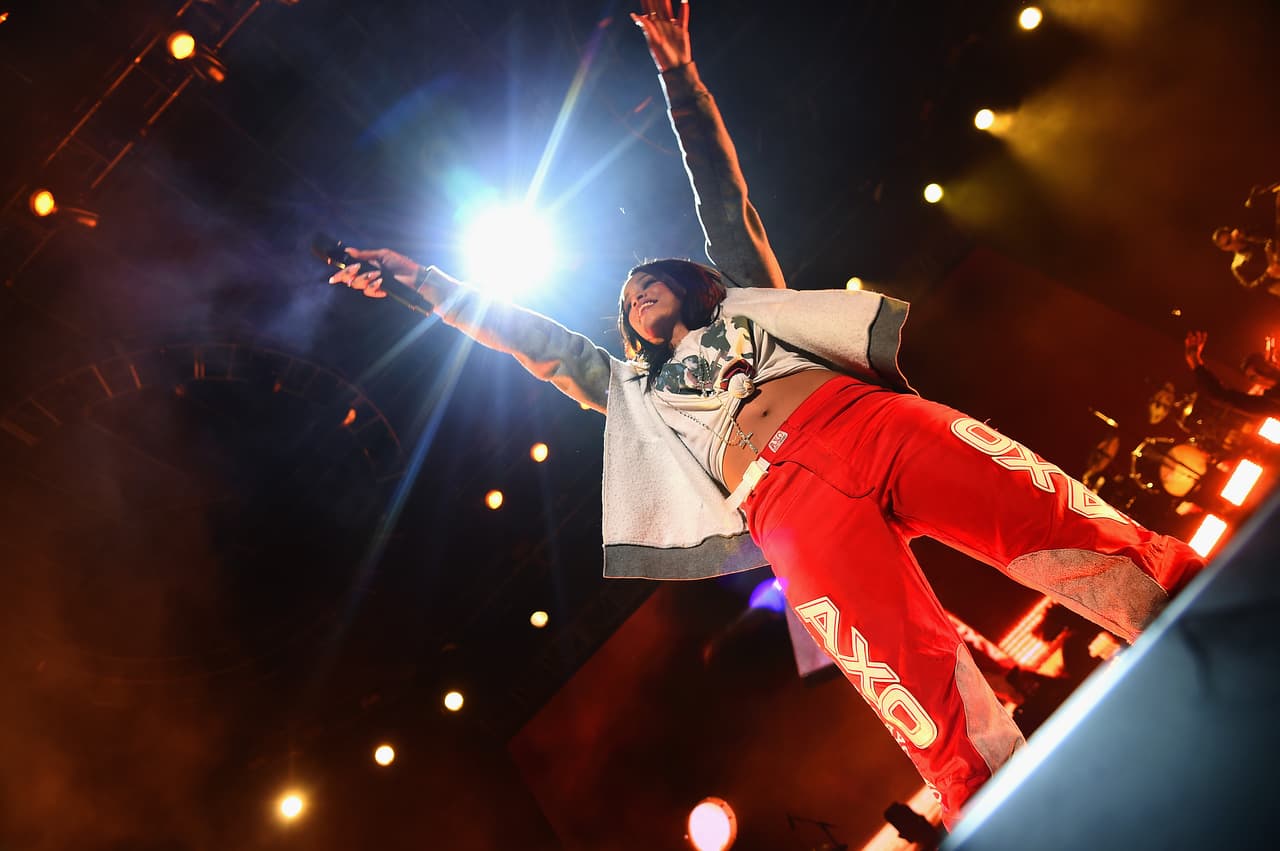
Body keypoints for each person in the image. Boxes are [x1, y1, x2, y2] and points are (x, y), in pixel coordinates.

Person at [329, 0, 1204, 827]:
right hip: (781, 507)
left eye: (650, 280)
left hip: (855, 420)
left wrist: (680, 73)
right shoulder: (628, 387)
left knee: (1032, 508)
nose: (636, 293)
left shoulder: (748, 299)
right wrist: (423, 284)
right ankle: (1022, 815)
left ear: (691, 284)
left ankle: (1196, 613)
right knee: (908, 677)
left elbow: (719, 187)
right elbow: (531, 339)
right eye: (628, 296)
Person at [1184, 330, 1280, 416]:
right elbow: (1222, 395)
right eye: (1253, 377)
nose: (1261, 376)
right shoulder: (1268, 404)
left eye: (1260, 368)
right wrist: (1195, 362)